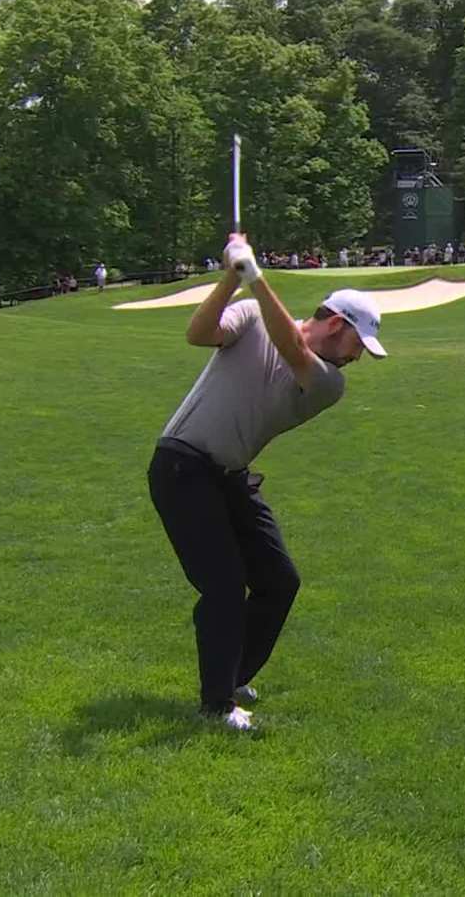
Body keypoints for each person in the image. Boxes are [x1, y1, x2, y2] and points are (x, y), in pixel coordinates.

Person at [148, 232, 387, 731]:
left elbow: (292, 347)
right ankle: (217, 706)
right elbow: (198, 334)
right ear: (337, 324)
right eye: (358, 344)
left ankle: (233, 676)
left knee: (279, 581)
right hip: (182, 468)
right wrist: (229, 278)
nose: (358, 357)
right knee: (223, 585)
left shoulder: (328, 382)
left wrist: (254, 275)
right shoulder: (252, 315)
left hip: (229, 478)